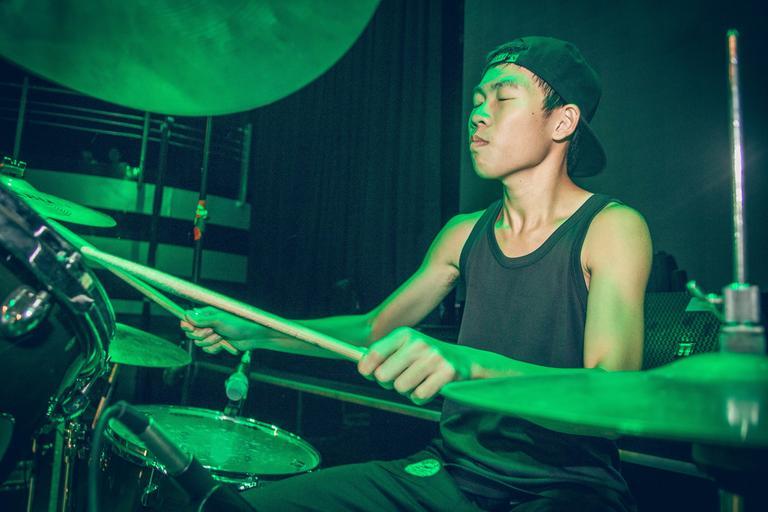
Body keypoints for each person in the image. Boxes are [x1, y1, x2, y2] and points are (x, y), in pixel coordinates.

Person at [181, 36, 652, 511]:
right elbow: (374, 329)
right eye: (477, 101)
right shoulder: (463, 233)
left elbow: (612, 401)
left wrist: (472, 366)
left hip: (567, 487)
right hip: (454, 472)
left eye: (503, 98)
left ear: (562, 121)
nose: (478, 114)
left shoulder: (611, 227)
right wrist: (254, 332)